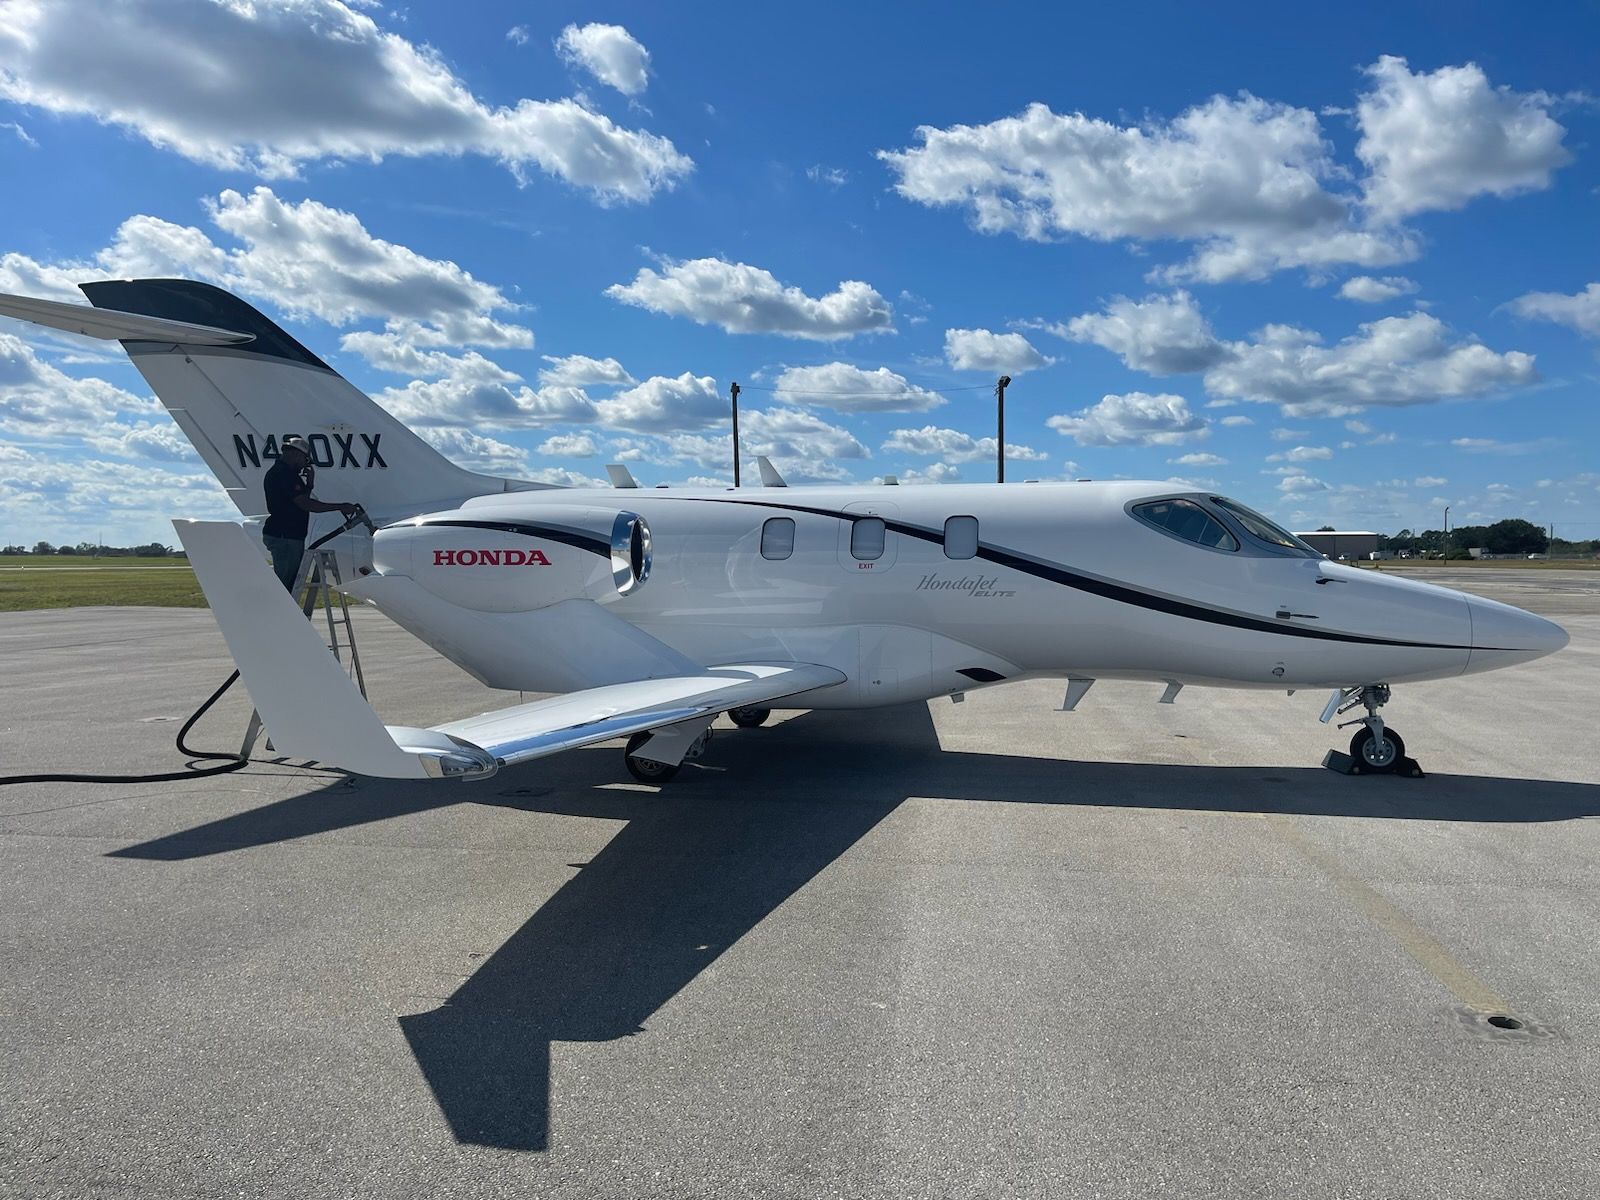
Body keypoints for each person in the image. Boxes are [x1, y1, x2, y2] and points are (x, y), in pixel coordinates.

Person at [261, 436, 360, 592]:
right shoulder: (284, 475)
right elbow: (305, 504)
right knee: (285, 587)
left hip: (286, 535)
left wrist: (309, 485)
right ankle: (277, 615)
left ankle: (281, 614)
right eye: (305, 459)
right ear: (296, 454)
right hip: (285, 537)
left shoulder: (284, 474)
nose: (304, 464)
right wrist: (340, 506)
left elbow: (300, 501)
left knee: (289, 583)